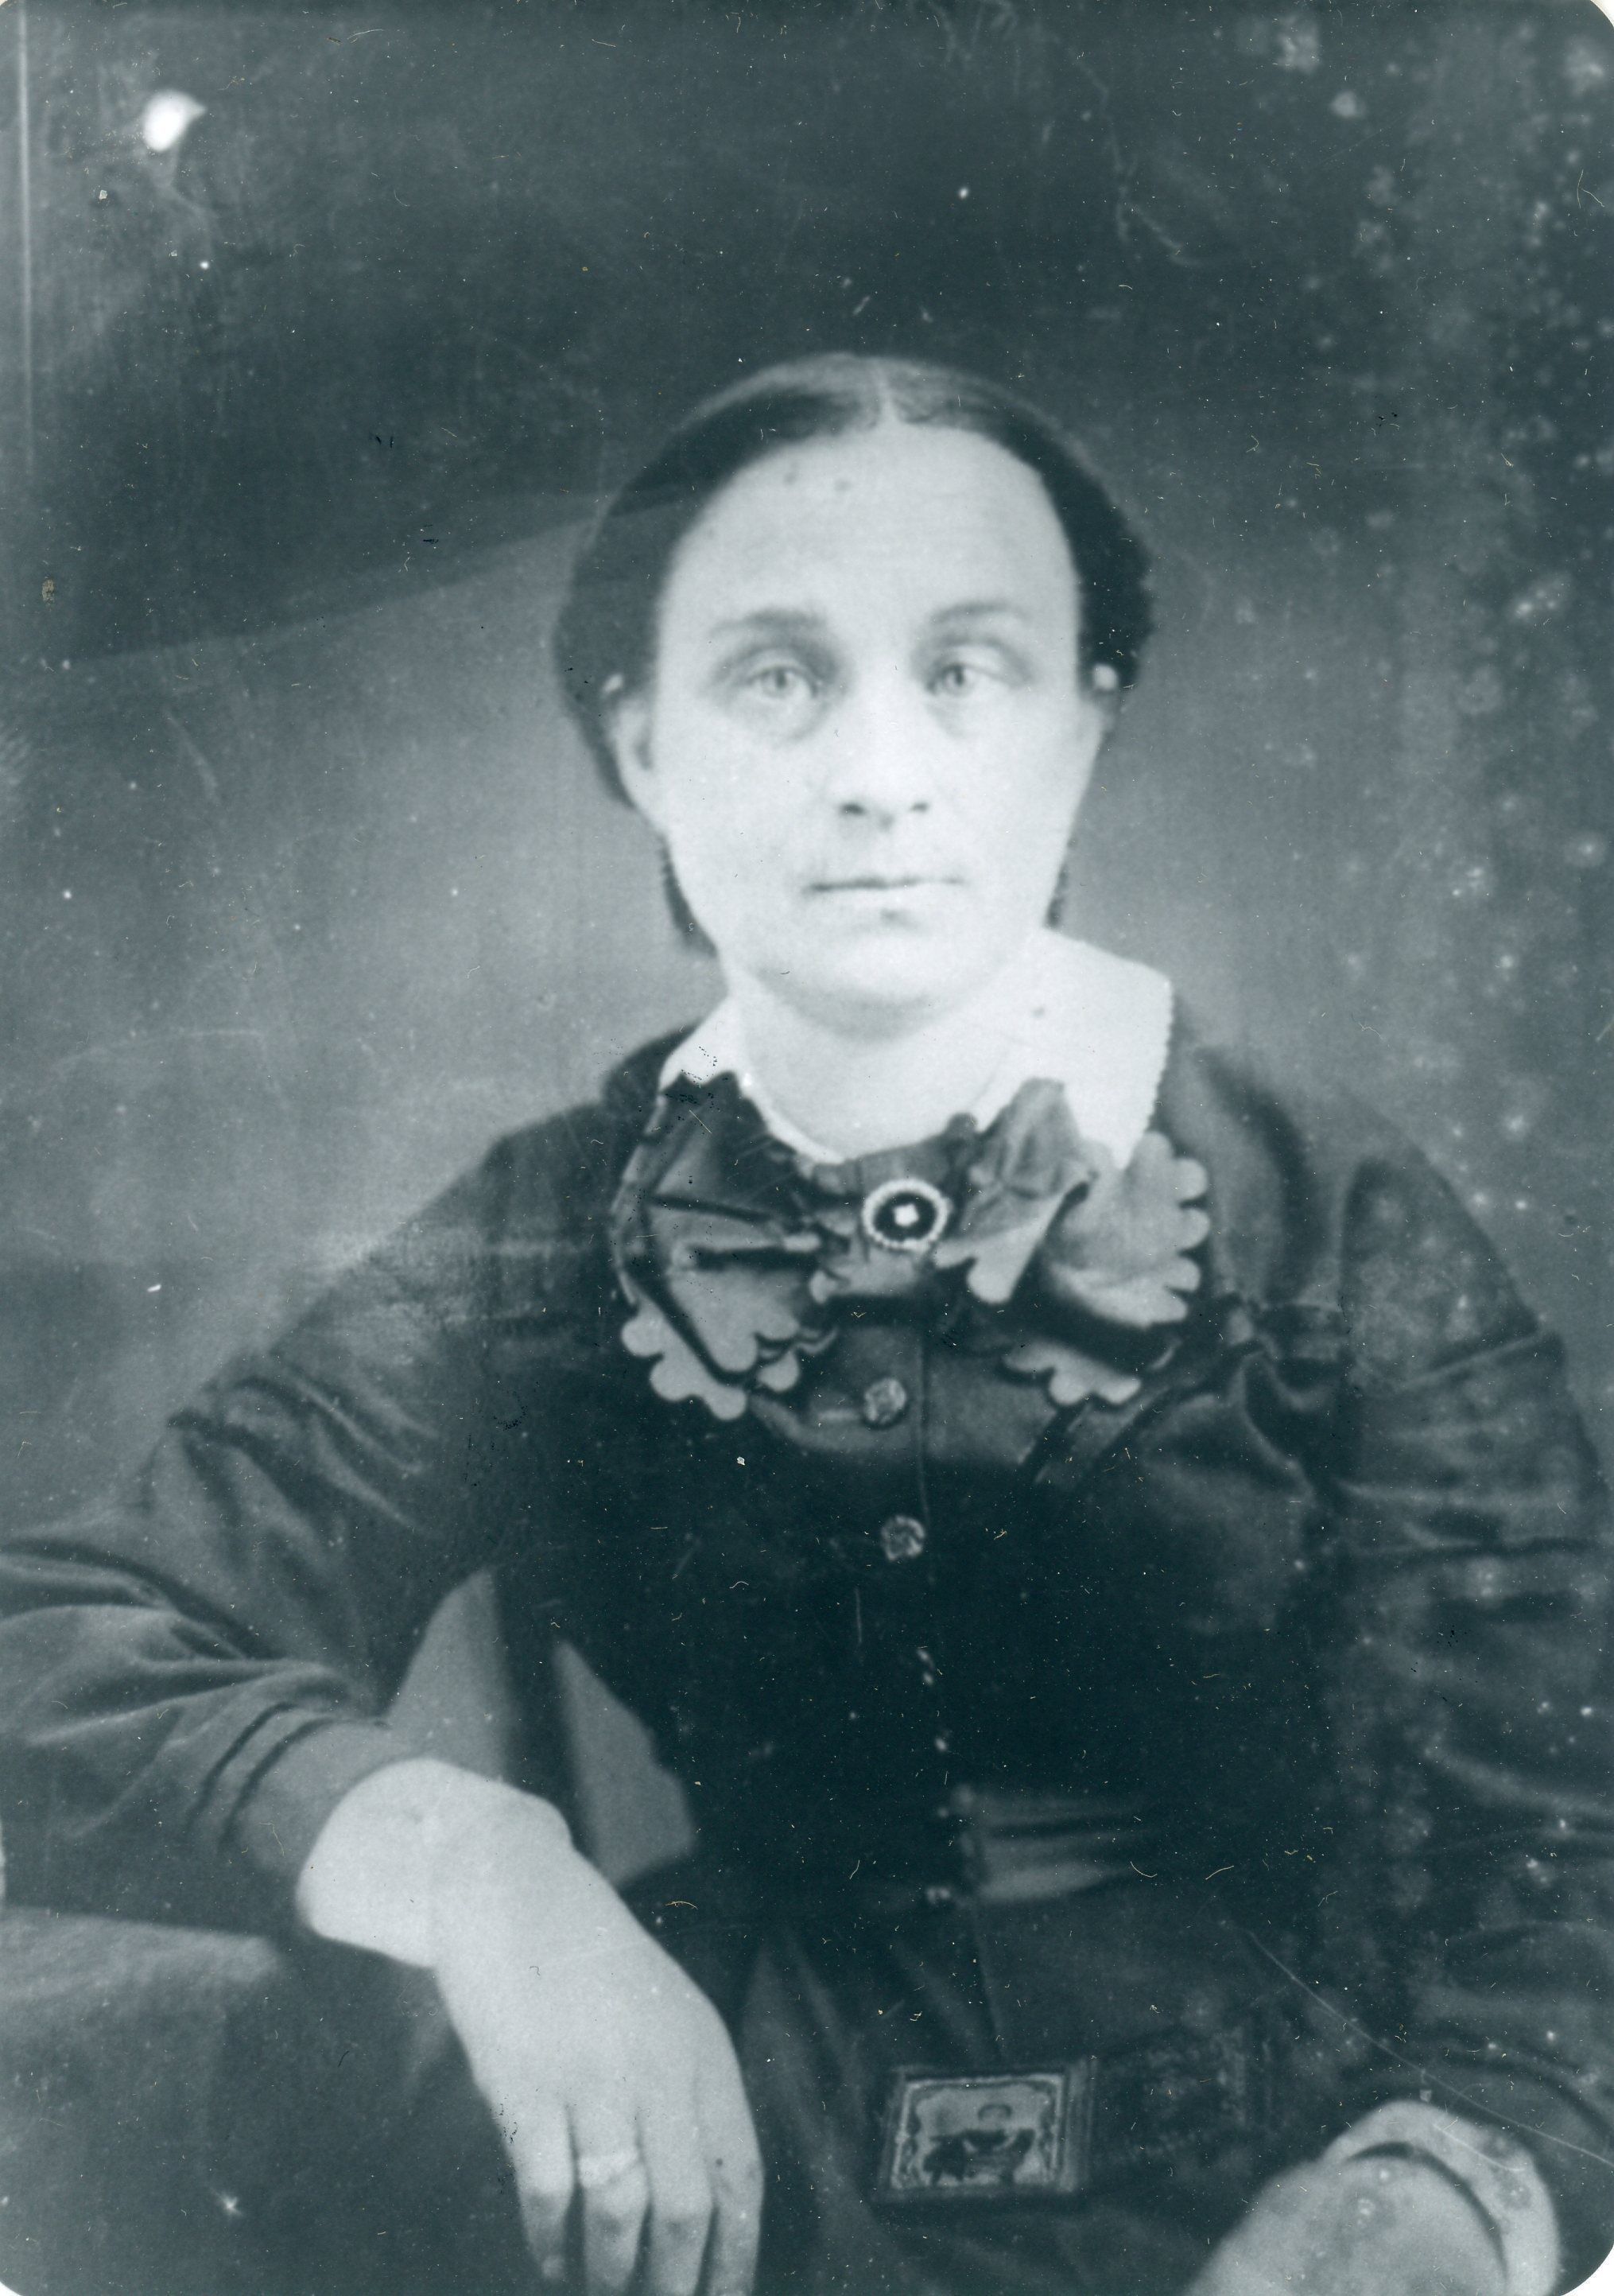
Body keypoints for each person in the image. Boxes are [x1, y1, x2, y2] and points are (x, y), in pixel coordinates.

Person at [1, 352, 1611, 2296]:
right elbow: (60, 1635)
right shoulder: (554, 1226)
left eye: (968, 669)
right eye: (775, 676)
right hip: (742, 2181)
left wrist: (1422, 2208)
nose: (878, 769)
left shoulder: (1321, 1202)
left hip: (1300, 2171)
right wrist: (476, 1865)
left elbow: (1565, 1849)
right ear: (638, 743)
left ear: (1084, 720)